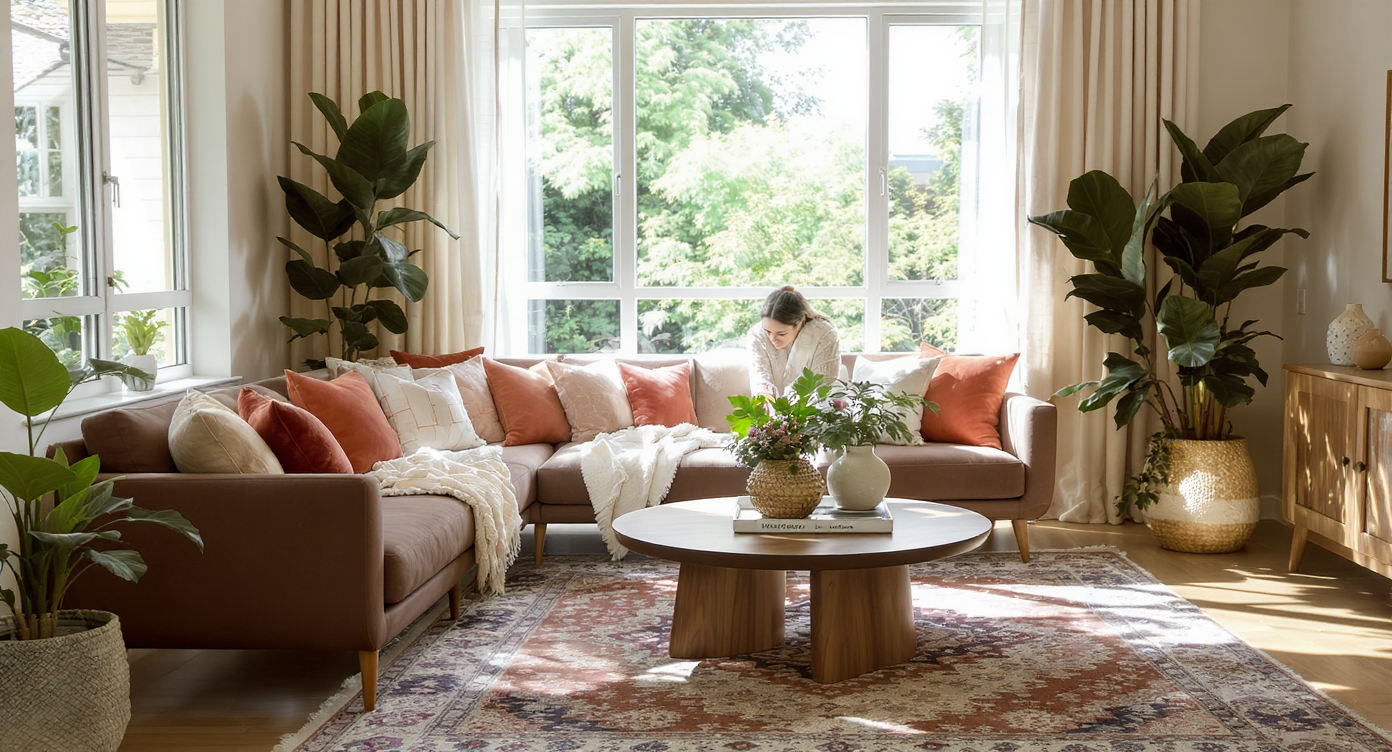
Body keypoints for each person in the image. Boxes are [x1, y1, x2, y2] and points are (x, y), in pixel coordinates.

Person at [747, 285, 841, 397]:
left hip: (813, 410)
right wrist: (765, 397)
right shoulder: (757, 334)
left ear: (800, 322)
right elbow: (759, 375)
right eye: (768, 331)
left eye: (781, 333)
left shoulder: (824, 334)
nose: (772, 338)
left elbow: (824, 386)